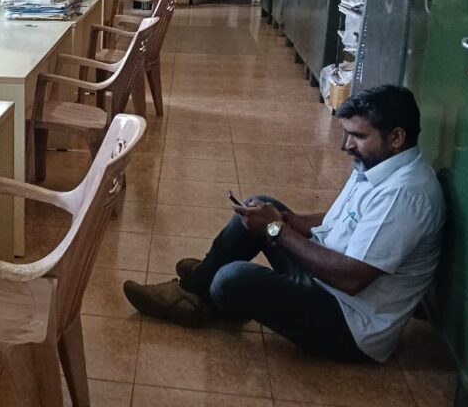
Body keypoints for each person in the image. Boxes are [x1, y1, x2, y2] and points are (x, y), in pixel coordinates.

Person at [123, 85, 445, 363]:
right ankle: (194, 290)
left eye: (358, 136)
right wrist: (294, 222)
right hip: (326, 279)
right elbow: (347, 218)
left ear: (396, 137)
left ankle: (207, 286)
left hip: (350, 323)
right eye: (347, 134)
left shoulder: (405, 195)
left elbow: (350, 278)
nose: (346, 146)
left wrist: (276, 229)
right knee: (260, 205)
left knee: (232, 277)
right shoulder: (380, 163)